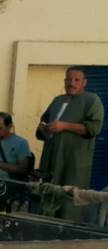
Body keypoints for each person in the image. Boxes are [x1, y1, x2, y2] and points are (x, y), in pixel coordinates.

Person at [36, 66, 105, 220]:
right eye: (68, 79)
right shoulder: (57, 100)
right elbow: (43, 122)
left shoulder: (91, 100)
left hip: (73, 164)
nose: (71, 83)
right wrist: (43, 129)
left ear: (84, 82)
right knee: (48, 199)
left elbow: (93, 128)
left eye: (76, 80)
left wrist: (64, 126)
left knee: (70, 202)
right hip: (51, 162)